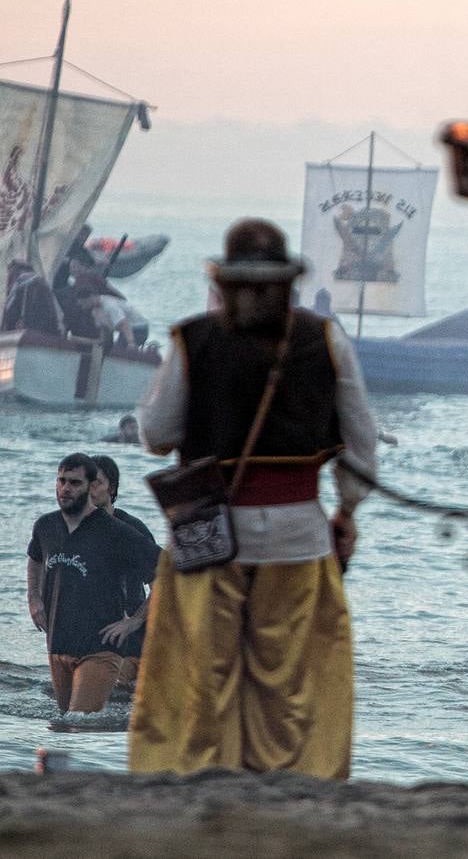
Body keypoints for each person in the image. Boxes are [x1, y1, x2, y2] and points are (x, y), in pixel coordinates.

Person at [128, 218, 378, 779]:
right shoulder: (326, 337)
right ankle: (292, 775)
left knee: (202, 667)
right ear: (288, 283)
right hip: (297, 529)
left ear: (225, 283)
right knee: (287, 672)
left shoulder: (192, 339)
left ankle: (200, 773)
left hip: (207, 529)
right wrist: (348, 510)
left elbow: (157, 435)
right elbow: (362, 438)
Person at [25, 454, 158, 713]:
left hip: (106, 644)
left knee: (79, 721)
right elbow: (35, 557)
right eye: (61, 481)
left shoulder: (119, 531)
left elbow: (164, 572)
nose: (66, 488)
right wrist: (33, 599)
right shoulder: (46, 525)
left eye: (75, 483)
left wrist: (135, 620)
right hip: (59, 642)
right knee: (61, 725)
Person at [89, 454, 158, 680]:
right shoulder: (70, 529)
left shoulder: (131, 529)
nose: (89, 489)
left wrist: (136, 620)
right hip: (88, 639)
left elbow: (163, 581)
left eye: (96, 482)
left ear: (112, 488)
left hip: (129, 641)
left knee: (116, 702)